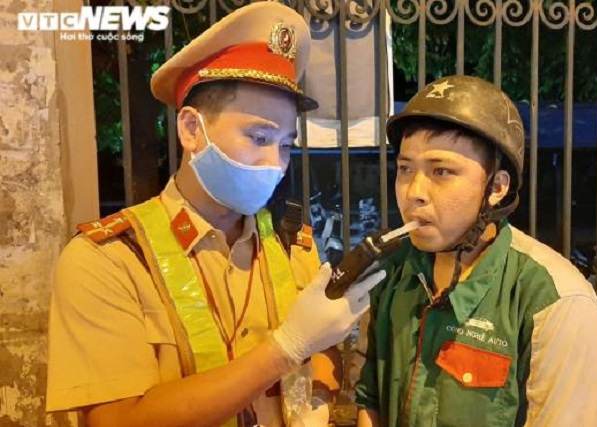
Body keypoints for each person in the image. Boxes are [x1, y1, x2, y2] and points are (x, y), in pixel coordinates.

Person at [45, 3, 385, 427]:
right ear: (191, 129)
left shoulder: (290, 243)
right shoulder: (108, 260)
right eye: (258, 137)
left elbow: (324, 352)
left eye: (285, 144)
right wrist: (284, 350)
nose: (276, 164)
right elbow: (116, 419)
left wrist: (316, 398)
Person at [354, 75, 597, 426]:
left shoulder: (556, 300)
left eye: (442, 171)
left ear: (496, 188)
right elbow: (370, 399)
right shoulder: (390, 273)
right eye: (406, 169)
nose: (414, 192)